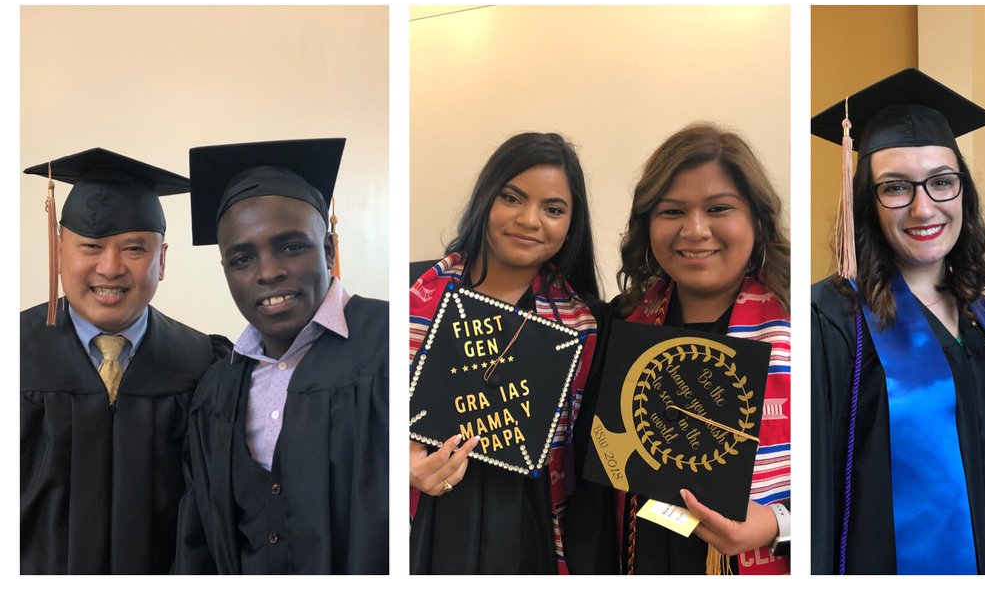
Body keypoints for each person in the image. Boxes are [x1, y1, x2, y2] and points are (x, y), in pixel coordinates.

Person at [810, 69, 985, 574]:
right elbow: (817, 493)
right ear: (867, 202)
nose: (924, 207)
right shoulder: (833, 319)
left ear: (963, 193)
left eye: (942, 182)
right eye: (896, 187)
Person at [569, 124, 791, 574]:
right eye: (672, 211)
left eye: (718, 208)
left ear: (757, 220)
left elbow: (855, 478)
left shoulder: (805, 331)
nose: (695, 230)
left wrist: (774, 521)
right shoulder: (619, 328)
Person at [175, 138, 388, 574]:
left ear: (328, 250)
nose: (268, 272)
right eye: (242, 258)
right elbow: (200, 542)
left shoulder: (392, 345)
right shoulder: (217, 390)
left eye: (291, 246)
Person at [20, 148, 227, 574]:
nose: (110, 268)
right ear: (60, 254)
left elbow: (209, 520)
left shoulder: (203, 364)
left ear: (162, 260)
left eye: (134, 248)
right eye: (90, 247)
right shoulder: (14, 353)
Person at [409, 132, 600, 573]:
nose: (530, 220)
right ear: (485, 200)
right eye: (512, 198)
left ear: (572, 223)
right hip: (425, 519)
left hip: (528, 521)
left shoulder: (585, 326)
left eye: (553, 209)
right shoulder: (413, 296)